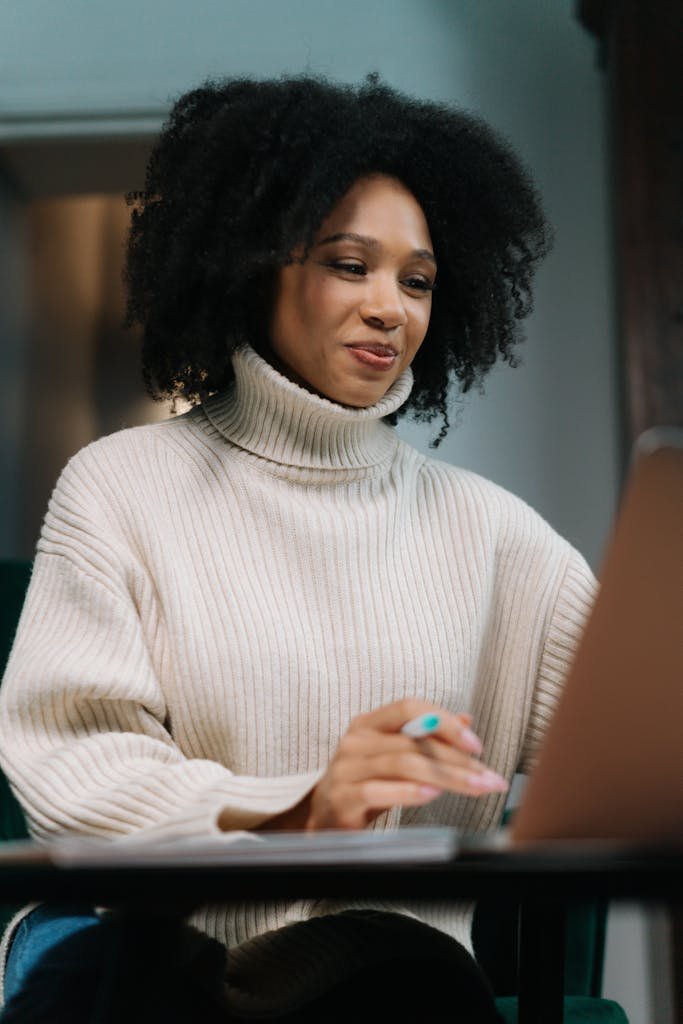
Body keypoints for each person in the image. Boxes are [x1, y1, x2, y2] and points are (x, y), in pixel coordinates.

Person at [0, 75, 596, 1021]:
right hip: (184, 985)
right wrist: (298, 810)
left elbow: (626, 747)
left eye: (417, 279)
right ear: (254, 264)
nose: (389, 308)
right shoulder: (122, 485)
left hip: (402, 989)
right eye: (348, 263)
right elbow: (77, 776)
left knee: (396, 969)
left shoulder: (496, 535)